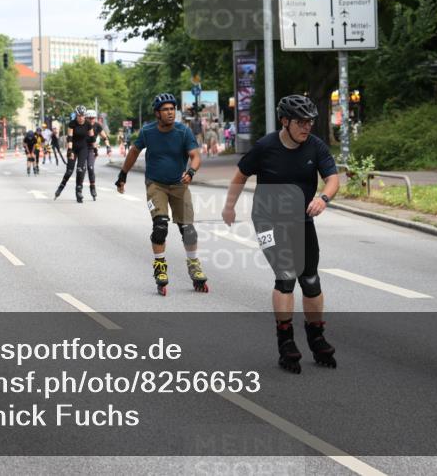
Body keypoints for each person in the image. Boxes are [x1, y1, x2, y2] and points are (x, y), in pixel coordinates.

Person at [221, 95, 340, 373]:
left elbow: (333, 178)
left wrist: (323, 198)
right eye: (300, 122)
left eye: (310, 122)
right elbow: (240, 175)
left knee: (310, 280)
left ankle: (316, 336)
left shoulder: (315, 146)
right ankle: (285, 340)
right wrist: (229, 207)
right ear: (285, 122)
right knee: (286, 276)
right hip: (267, 221)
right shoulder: (265, 147)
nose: (306, 127)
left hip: (301, 219)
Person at [116, 93, 208, 295]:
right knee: (160, 226)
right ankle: (160, 266)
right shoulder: (148, 131)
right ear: (157, 113)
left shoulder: (183, 131)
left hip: (179, 185)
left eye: (172, 109)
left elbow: (195, 156)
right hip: (155, 185)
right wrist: (123, 174)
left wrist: (191, 172)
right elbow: (133, 152)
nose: (170, 112)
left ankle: (194, 265)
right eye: (165, 109)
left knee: (188, 229)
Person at [55, 105, 91, 203]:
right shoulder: (72, 124)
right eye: (79, 116)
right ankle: (61, 186)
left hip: (83, 149)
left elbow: (92, 137)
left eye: (82, 116)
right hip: (73, 148)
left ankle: (79, 191)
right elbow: (69, 138)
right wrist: (70, 150)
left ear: (85, 116)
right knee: (69, 171)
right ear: (76, 115)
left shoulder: (88, 124)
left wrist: (94, 146)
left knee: (80, 169)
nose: (80, 118)